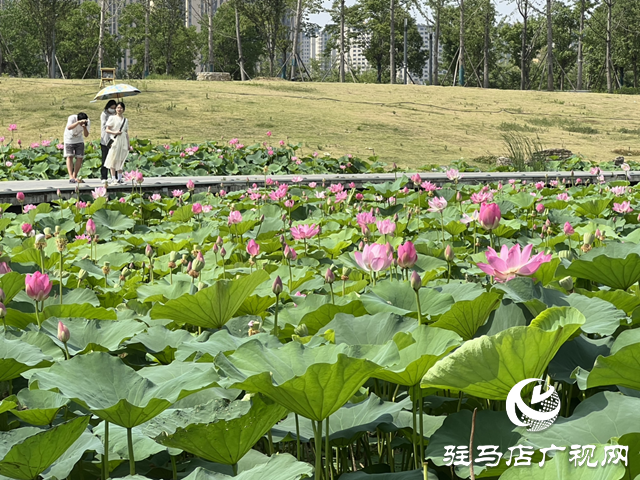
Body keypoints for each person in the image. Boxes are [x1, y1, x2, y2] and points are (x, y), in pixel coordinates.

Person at [104, 102, 129, 184]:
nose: (119, 109)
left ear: (123, 110)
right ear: (116, 109)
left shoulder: (125, 120)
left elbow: (126, 133)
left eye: (121, 108)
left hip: (123, 141)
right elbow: (107, 129)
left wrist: (128, 144)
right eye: (118, 108)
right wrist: (115, 132)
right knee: (113, 158)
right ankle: (113, 178)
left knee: (121, 159)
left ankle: (119, 178)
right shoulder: (112, 118)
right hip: (115, 140)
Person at [64, 112, 90, 183]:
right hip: (69, 139)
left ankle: (74, 176)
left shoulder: (87, 121)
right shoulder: (72, 118)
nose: (82, 123)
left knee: (80, 157)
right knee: (69, 156)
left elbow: (86, 135)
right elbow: (69, 127)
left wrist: (84, 127)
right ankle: (70, 176)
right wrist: (78, 122)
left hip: (79, 139)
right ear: (77, 119)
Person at [100, 100, 117, 185]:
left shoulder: (117, 115)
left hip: (114, 139)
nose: (113, 110)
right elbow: (105, 125)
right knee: (105, 159)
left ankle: (115, 177)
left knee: (114, 159)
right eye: (111, 108)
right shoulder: (104, 114)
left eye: (114, 108)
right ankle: (104, 177)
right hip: (105, 139)